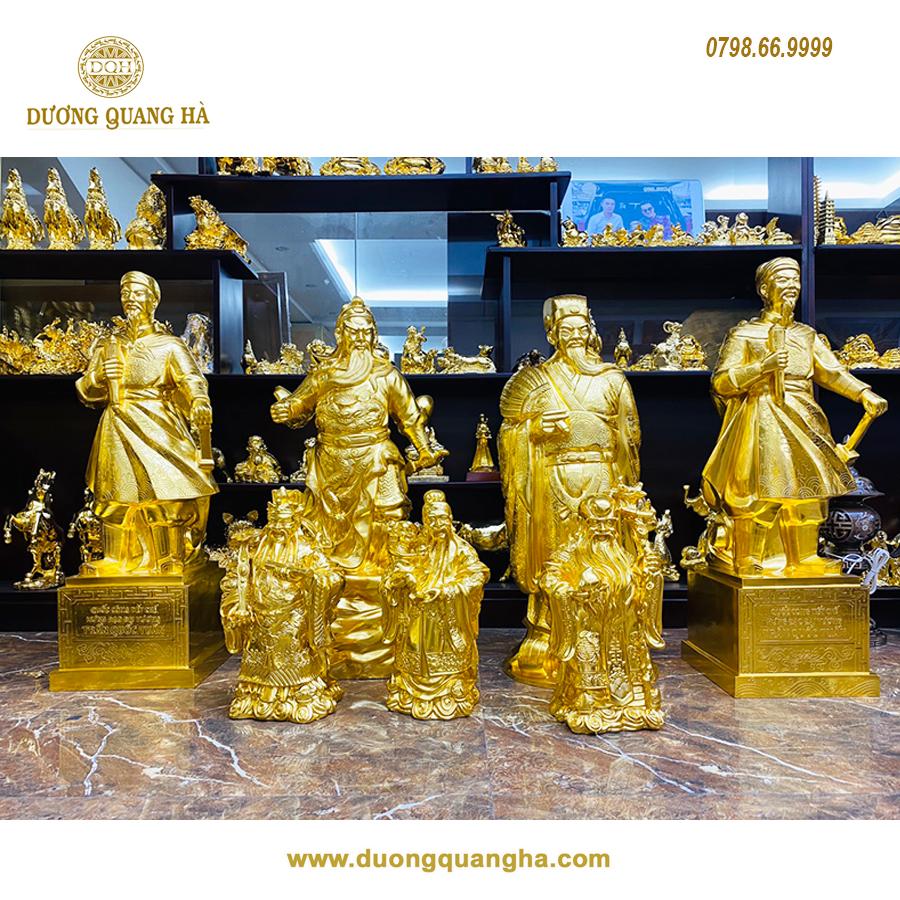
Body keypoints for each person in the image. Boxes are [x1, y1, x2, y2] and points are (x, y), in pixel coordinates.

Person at [270, 296, 445, 676]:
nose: (361, 337)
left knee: (388, 520)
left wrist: (423, 448)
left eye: (367, 331)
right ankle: (333, 595)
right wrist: (286, 410)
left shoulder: (386, 375)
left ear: (374, 335)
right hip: (331, 462)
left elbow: (409, 417)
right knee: (329, 533)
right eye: (354, 331)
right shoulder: (325, 375)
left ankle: (385, 588)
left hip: (375, 458)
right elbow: (300, 405)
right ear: (341, 334)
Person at [702, 257, 888, 576]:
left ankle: (802, 557)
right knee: (759, 492)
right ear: (764, 289)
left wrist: (863, 393)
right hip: (761, 419)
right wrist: (761, 368)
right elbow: (721, 383)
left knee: (809, 492)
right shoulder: (745, 334)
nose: (792, 286)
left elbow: (832, 373)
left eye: (795, 280)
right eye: (783, 279)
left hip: (805, 417)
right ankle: (748, 556)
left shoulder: (806, 335)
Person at [498, 294, 642, 686]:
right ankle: (547, 634)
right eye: (566, 330)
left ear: (591, 332)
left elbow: (630, 436)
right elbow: (509, 431)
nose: (575, 336)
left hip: (602, 479)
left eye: (582, 329)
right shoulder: (537, 379)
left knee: (600, 557)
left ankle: (602, 633)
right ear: (553, 335)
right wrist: (533, 430)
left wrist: (626, 486)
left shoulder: (612, 379)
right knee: (553, 555)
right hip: (551, 479)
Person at [76, 271, 217, 575]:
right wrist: (98, 376)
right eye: (125, 293)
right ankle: (117, 558)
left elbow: (192, 379)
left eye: (138, 293)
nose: (130, 299)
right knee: (115, 495)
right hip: (117, 423)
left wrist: (199, 401)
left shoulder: (169, 345)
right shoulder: (109, 344)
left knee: (167, 492)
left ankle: (168, 557)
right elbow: (86, 391)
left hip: (158, 422)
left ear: (153, 300)